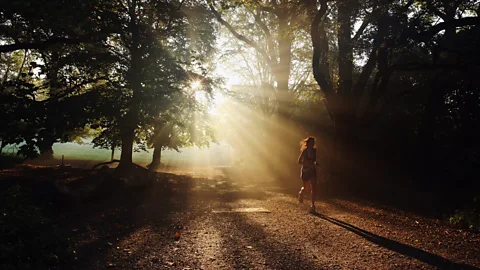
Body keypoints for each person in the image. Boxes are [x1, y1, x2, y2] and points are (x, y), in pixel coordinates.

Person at [297, 136, 318, 213]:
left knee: (314, 187)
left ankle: (312, 206)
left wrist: (316, 163)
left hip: (312, 170)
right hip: (305, 171)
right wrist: (306, 163)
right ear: (307, 144)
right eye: (310, 143)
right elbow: (299, 161)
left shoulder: (315, 151)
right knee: (306, 189)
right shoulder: (305, 151)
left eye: (313, 143)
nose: (312, 144)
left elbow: (314, 161)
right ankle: (301, 193)